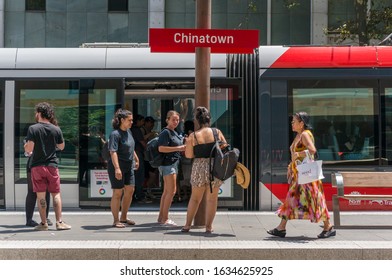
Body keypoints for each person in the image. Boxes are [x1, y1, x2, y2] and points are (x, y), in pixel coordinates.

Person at [267, 111, 336, 238]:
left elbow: (312, 150)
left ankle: (328, 226)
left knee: (315, 200)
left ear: (301, 123)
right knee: (292, 199)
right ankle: (281, 228)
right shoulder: (299, 135)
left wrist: (299, 154)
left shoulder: (305, 134)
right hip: (299, 175)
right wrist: (290, 165)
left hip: (307, 176)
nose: (292, 124)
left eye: (294, 121)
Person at [24, 102, 71, 231]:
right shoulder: (56, 129)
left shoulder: (33, 129)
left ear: (39, 113)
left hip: (37, 167)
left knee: (40, 196)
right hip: (52, 165)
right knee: (56, 194)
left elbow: (29, 149)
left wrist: (26, 146)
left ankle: (43, 223)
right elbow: (61, 147)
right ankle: (59, 222)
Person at [181, 107, 227, 233]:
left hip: (199, 167)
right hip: (215, 167)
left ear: (197, 120)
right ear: (209, 119)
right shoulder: (217, 132)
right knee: (212, 199)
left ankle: (187, 225)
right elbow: (225, 148)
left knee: (195, 198)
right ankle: (209, 227)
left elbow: (189, 155)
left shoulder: (193, 136)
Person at [107, 109, 139, 228]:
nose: (131, 122)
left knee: (130, 190)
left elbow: (131, 146)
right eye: (129, 120)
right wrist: (117, 168)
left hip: (129, 165)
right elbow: (113, 152)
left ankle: (124, 217)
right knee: (117, 192)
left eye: (132, 120)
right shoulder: (115, 134)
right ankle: (116, 220)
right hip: (118, 166)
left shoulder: (129, 132)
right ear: (122, 120)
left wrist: (136, 158)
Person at [157, 110, 186, 226]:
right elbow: (161, 148)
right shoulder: (166, 132)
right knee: (171, 191)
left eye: (177, 120)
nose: (176, 122)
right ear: (167, 119)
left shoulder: (174, 132)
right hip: (168, 164)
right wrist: (179, 148)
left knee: (166, 192)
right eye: (173, 119)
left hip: (172, 163)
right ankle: (165, 218)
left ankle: (161, 217)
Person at [24, 140, 51, 227]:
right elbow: (28, 151)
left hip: (38, 164)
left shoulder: (33, 132)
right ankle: (32, 219)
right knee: (34, 192)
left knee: (44, 192)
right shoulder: (34, 133)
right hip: (38, 164)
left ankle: (43, 218)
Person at [131, 114, 151, 204]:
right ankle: (139, 195)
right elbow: (142, 142)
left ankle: (135, 195)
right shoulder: (136, 130)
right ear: (138, 121)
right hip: (137, 154)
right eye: (142, 121)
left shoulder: (131, 130)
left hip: (135, 153)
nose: (143, 123)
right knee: (139, 175)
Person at [141, 116, 159, 199]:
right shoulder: (142, 130)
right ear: (146, 122)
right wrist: (151, 134)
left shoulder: (151, 132)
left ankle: (148, 190)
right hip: (145, 157)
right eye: (151, 122)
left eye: (153, 123)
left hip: (152, 156)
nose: (152, 125)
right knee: (151, 175)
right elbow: (141, 139)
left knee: (152, 175)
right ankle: (146, 191)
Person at [177, 120, 194, 202]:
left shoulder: (184, 136)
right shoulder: (194, 135)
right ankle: (190, 194)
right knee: (191, 178)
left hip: (184, 158)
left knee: (184, 178)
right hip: (191, 159)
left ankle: (185, 194)